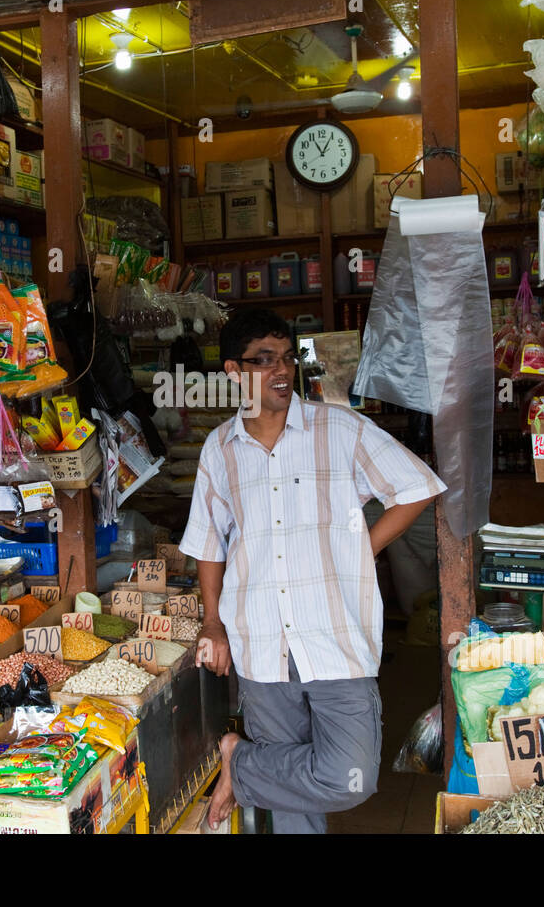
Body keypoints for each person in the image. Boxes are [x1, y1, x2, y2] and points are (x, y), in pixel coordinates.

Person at [178, 309, 445, 833]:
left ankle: (242, 763)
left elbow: (416, 488)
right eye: (265, 360)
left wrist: (362, 548)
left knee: (349, 776)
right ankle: (252, 768)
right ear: (234, 371)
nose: (282, 371)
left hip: (335, 637)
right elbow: (209, 543)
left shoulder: (340, 429)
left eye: (287, 358)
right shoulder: (220, 450)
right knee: (295, 808)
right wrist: (213, 623)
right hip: (260, 642)